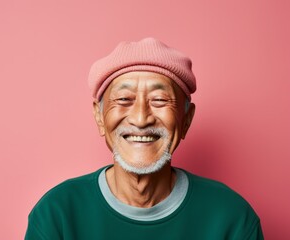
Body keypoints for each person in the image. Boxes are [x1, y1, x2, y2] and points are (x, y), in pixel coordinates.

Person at [25, 38, 264, 240]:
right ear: (99, 116)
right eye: (124, 99)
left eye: (159, 100)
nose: (141, 118)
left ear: (186, 119)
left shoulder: (232, 218)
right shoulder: (57, 214)